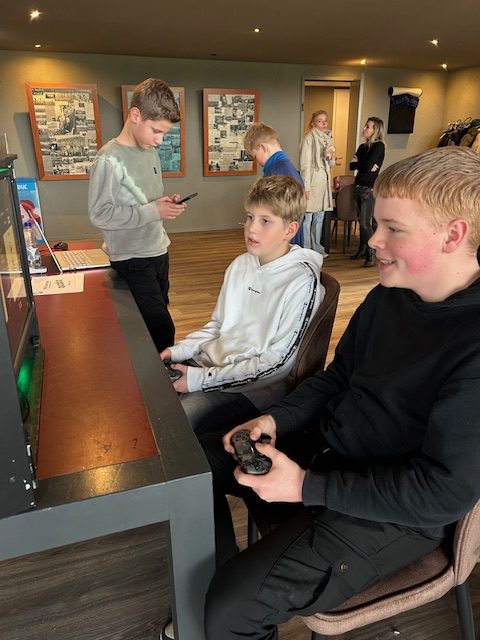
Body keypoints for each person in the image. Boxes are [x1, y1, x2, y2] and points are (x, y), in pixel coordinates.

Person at [201, 146, 480, 640]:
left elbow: (440, 494)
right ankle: (211, 588)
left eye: (393, 228)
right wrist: (277, 419)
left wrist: (306, 487)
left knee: (231, 607)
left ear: (453, 235)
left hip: (394, 510)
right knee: (196, 465)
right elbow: (338, 377)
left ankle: (218, 606)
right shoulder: (387, 295)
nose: (373, 238)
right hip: (330, 454)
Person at [160, 175, 325, 435]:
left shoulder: (302, 281)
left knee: (171, 425)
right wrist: (178, 351)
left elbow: (278, 364)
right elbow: (218, 326)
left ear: (290, 230)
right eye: (249, 217)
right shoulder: (241, 264)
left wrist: (199, 380)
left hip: (252, 389)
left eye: (265, 221)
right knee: (149, 396)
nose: (251, 229)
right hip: (210, 366)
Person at [88, 78, 187, 353]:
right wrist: (152, 210)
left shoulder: (150, 152)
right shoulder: (108, 159)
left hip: (159, 249)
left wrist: (162, 204)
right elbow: (99, 214)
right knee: (161, 328)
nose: (160, 140)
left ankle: (158, 370)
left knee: (159, 314)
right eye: (156, 131)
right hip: (131, 258)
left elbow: (143, 201)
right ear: (135, 115)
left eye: (164, 133)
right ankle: (161, 375)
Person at [244, 122, 304, 247]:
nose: (257, 162)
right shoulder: (288, 168)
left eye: (255, 156)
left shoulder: (276, 175)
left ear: (263, 147)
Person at [350, 116, 386, 267]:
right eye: (365, 126)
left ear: (375, 130)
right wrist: (364, 165)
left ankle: (371, 254)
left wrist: (361, 163)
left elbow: (364, 166)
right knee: (361, 221)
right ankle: (363, 249)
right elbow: (352, 166)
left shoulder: (379, 146)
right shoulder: (362, 147)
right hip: (358, 185)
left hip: (368, 188)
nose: (364, 128)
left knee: (365, 223)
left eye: (368, 127)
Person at [299, 110, 336, 255]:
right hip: (313, 181)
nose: (323, 124)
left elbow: (331, 164)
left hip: (323, 182)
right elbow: (305, 165)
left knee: (319, 217)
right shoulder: (309, 138)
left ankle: (317, 247)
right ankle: (307, 248)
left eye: (325, 121)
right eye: (319, 121)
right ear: (313, 123)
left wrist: (331, 156)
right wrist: (306, 187)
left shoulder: (328, 139)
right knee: (308, 217)